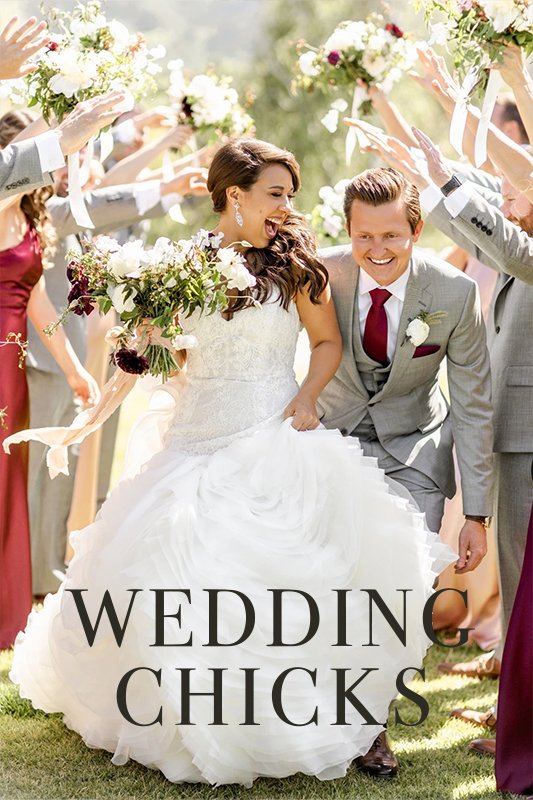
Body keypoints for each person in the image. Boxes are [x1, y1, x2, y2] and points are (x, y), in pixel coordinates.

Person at [8, 139, 455, 786]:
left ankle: (353, 722)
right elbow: (150, 359)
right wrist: (92, 417)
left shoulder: (297, 265)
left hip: (275, 429)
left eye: (288, 196)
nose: (284, 207)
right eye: (274, 194)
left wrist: (305, 399)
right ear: (233, 195)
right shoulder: (179, 265)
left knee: (316, 570)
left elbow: (325, 343)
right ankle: (194, 716)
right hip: (194, 436)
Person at [316, 166, 494, 775]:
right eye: (364, 237)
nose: (378, 250)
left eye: (392, 235)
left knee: (400, 581)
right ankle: (314, 706)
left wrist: (476, 512)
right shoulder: (321, 273)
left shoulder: (454, 293)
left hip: (414, 447)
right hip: (328, 441)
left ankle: (369, 727)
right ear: (347, 232)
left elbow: (472, 403)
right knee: (328, 578)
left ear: (415, 229)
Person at [0, 113, 99, 650]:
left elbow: (36, 300)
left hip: (12, 370)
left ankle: (7, 611)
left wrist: (74, 368)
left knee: (8, 481)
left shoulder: (33, 219)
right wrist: (55, 128)